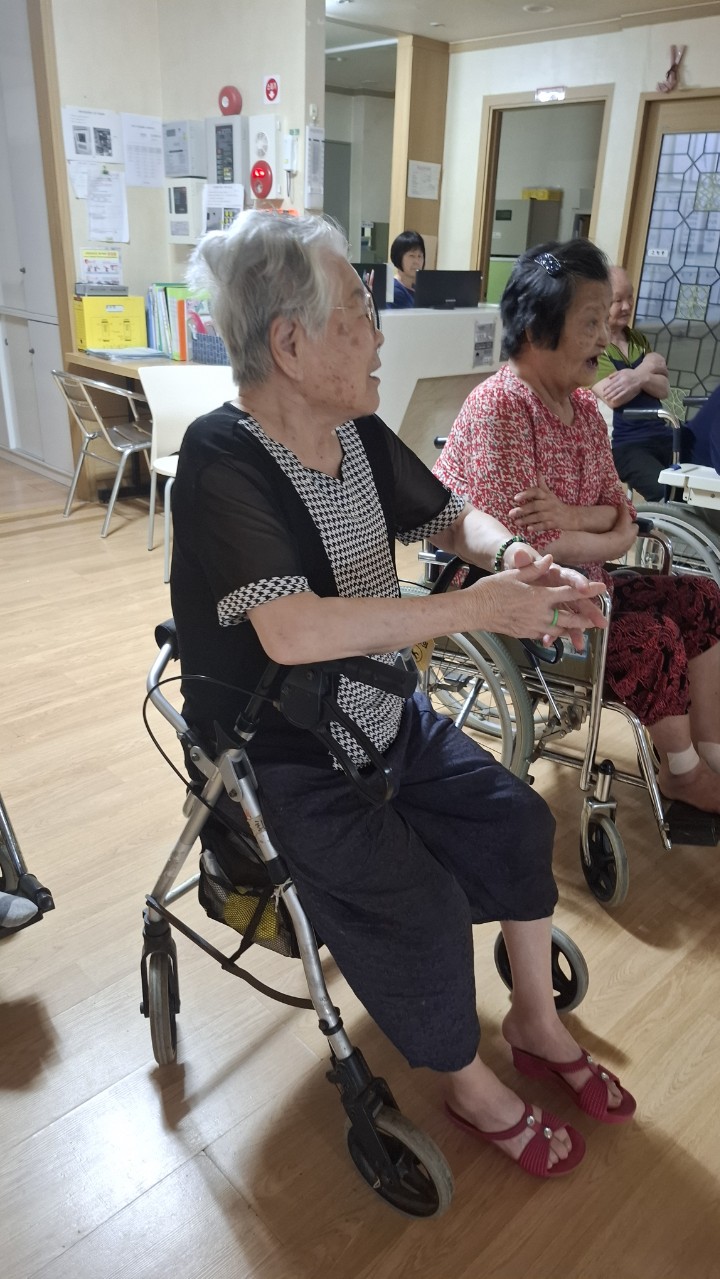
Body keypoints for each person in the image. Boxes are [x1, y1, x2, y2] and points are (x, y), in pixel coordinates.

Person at [170, 211, 635, 1181]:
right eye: (360, 314)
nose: (379, 337)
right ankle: (466, 1083)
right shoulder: (221, 461)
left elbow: (449, 516)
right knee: (421, 906)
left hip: (384, 716)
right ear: (291, 344)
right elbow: (294, 631)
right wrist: (481, 609)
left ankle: (537, 1021)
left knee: (514, 820)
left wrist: (516, 557)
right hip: (288, 755)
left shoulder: (352, 429)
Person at [434, 239, 720, 815]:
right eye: (590, 321)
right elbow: (532, 549)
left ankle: (711, 754)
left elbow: (623, 513)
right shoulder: (502, 407)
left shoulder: (586, 408)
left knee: (705, 599)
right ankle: (683, 773)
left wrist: (575, 519)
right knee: (654, 637)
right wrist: (606, 529)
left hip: (588, 581)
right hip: (519, 600)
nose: (603, 338)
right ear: (536, 330)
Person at [592, 266, 672, 500]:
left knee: (700, 481)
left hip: (660, 433)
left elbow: (664, 389)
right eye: (618, 300)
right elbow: (614, 396)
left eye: (630, 297)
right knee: (666, 494)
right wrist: (648, 368)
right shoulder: (594, 344)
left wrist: (637, 377)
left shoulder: (637, 338)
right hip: (624, 445)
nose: (627, 306)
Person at [389, 229, 425, 308]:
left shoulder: (419, 290)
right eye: (412, 256)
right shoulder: (394, 291)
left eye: (420, 256)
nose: (417, 262)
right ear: (398, 257)